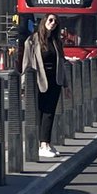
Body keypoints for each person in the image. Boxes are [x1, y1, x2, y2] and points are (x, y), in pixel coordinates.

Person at [26, 13, 67, 158]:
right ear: (44, 21)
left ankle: (46, 143)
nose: (53, 23)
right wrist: (24, 86)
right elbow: (27, 63)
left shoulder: (57, 41)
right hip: (39, 80)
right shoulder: (32, 40)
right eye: (50, 20)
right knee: (41, 112)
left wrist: (65, 84)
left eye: (56, 21)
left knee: (50, 112)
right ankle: (42, 144)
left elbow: (61, 63)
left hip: (55, 80)